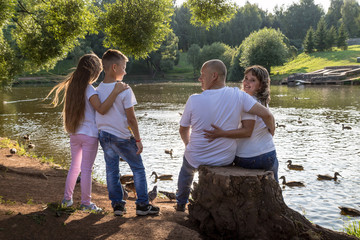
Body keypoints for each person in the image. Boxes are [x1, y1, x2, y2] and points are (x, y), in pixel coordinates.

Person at [176, 60, 275, 211]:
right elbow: (267, 114)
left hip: (197, 157)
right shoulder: (238, 95)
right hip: (225, 159)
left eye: (202, 75)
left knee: (186, 170)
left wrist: (188, 146)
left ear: (214, 76)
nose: (199, 78)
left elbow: (183, 130)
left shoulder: (194, 99)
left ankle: (181, 203)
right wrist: (271, 133)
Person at [46, 53, 127, 212]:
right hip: (90, 135)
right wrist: (115, 92)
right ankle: (85, 203)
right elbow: (102, 109)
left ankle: (66, 200)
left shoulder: (73, 88)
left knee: (74, 167)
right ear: (94, 72)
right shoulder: (90, 90)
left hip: (75, 133)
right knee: (87, 170)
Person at [95, 49, 159, 216]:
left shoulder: (97, 89)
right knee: (138, 169)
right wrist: (138, 139)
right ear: (114, 67)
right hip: (122, 137)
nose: (125, 71)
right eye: (123, 67)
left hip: (104, 136)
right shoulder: (124, 89)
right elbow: (131, 119)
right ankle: (143, 205)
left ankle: (117, 205)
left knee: (112, 170)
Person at [204, 65, 279, 182]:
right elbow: (269, 117)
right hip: (268, 154)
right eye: (245, 78)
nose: (246, 82)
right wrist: (272, 131)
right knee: (275, 185)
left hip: (247, 158)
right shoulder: (262, 102)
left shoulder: (248, 101)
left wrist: (222, 133)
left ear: (261, 85)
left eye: (253, 80)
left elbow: (247, 132)